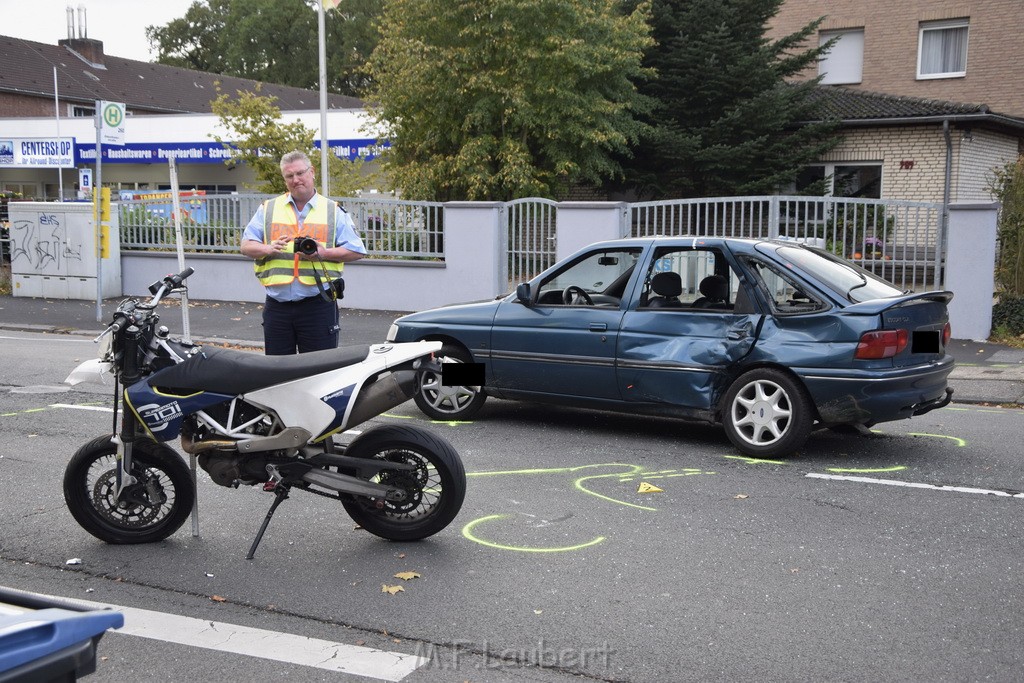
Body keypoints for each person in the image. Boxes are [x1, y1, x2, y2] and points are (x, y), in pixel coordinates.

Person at [241, 150, 366, 355]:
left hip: (317, 305)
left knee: (319, 371)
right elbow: (246, 245)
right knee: (278, 371)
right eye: (289, 176)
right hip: (277, 307)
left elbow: (356, 250)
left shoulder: (332, 210)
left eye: (300, 173)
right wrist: (268, 248)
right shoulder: (268, 208)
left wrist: (324, 253)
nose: (296, 180)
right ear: (284, 179)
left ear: (312, 172)